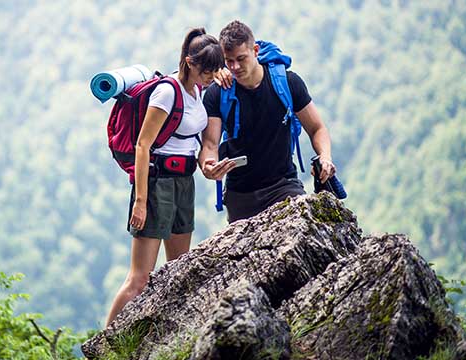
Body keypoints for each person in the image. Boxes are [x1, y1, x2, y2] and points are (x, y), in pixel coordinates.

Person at [105, 28, 224, 327]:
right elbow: (143, 145)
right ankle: (102, 344)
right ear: (189, 62)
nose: (211, 76)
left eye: (214, 71)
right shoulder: (167, 92)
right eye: (206, 70)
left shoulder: (199, 91)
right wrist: (141, 201)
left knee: (179, 271)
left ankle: (169, 335)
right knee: (140, 279)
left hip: (185, 183)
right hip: (157, 184)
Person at [199, 20, 337, 223]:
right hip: (240, 195)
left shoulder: (287, 83)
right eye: (229, 61)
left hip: (284, 186)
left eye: (241, 58)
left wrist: (325, 156)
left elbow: (317, 128)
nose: (235, 67)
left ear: (255, 50)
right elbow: (210, 144)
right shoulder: (217, 94)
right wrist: (207, 165)